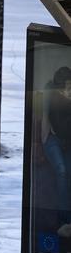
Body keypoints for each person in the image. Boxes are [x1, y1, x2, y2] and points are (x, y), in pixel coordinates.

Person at [44, 66, 71, 236]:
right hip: (52, 140)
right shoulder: (52, 98)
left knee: (67, 172)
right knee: (61, 170)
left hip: (68, 142)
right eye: (66, 87)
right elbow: (56, 124)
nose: (69, 91)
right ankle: (65, 220)